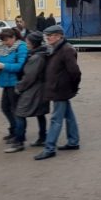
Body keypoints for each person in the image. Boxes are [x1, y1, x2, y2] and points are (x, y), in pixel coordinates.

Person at [34, 25, 81, 161]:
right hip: (58, 89)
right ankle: (73, 142)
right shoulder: (54, 49)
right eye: (47, 35)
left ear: (59, 36)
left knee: (56, 120)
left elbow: (75, 72)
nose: (48, 37)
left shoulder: (66, 50)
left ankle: (49, 148)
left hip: (61, 90)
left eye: (51, 35)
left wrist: (73, 87)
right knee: (69, 116)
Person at [8, 31, 50, 153]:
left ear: (33, 43)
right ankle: (42, 137)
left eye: (27, 42)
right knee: (40, 114)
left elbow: (29, 77)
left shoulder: (36, 57)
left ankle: (19, 142)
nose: (26, 43)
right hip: (40, 89)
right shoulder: (40, 53)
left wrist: (18, 87)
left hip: (34, 90)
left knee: (20, 113)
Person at [0, 28, 28, 144]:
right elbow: (2, 61)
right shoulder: (6, 48)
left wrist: (4, 66)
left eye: (6, 40)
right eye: (3, 41)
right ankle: (14, 130)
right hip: (6, 83)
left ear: (14, 37)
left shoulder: (21, 47)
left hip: (15, 83)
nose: (4, 43)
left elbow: (20, 66)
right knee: (5, 108)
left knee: (16, 110)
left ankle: (19, 135)